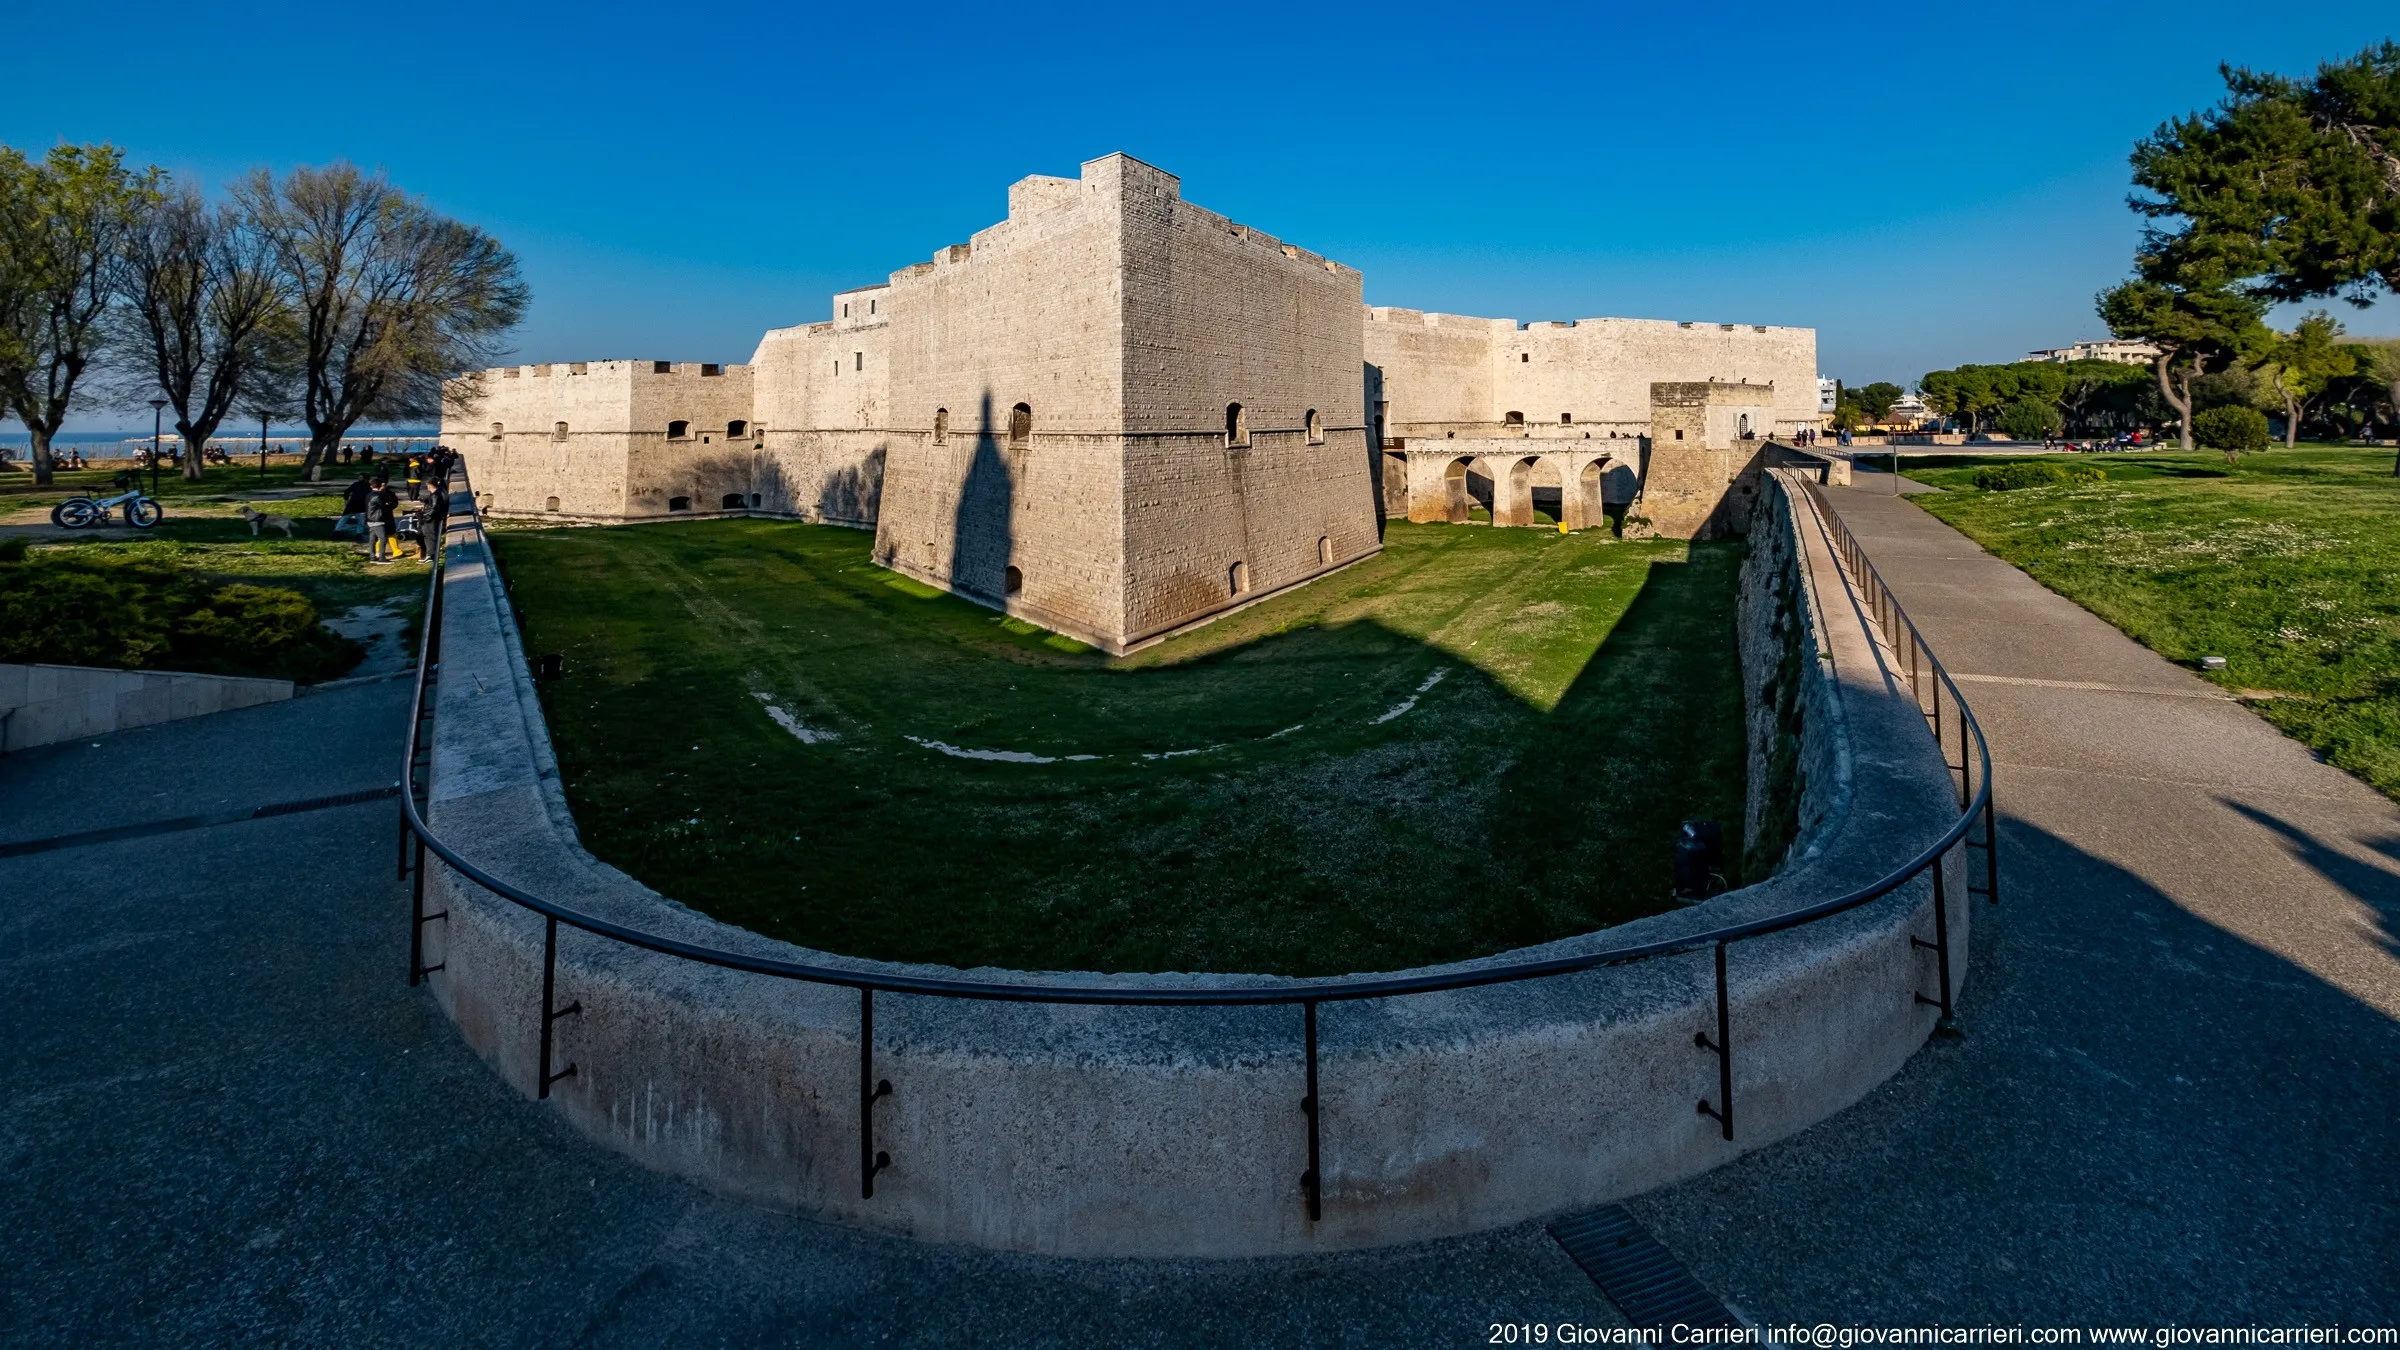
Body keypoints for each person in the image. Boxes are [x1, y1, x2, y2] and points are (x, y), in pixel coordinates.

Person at [364, 478, 399, 563]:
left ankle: (372, 556)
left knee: (372, 538)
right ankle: (382, 557)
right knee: (383, 538)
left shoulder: (369, 494)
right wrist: (388, 504)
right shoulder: (379, 496)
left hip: (370, 519)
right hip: (378, 519)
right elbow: (384, 506)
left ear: (371, 486)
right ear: (380, 486)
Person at [417, 475, 450, 560]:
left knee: (429, 536)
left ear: (428, 485)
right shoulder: (441, 491)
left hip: (432, 519)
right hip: (436, 517)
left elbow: (434, 508)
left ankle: (431, 554)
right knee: (427, 535)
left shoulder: (435, 495)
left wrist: (425, 516)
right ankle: (429, 553)